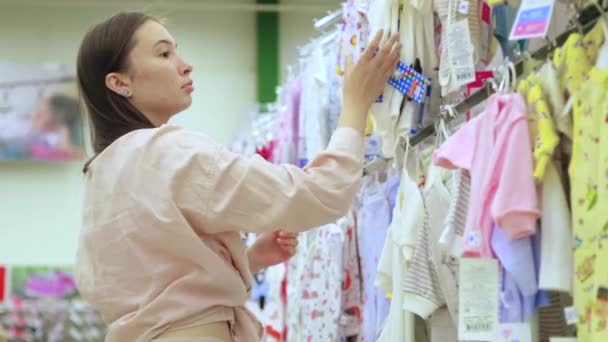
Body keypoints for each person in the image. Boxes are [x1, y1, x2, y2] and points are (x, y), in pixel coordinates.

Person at [73, 11, 400, 342]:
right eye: (163, 53)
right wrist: (355, 106)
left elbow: (149, 279)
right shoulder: (170, 152)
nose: (185, 65)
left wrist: (249, 259)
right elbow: (322, 194)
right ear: (119, 83)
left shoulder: (102, 171)